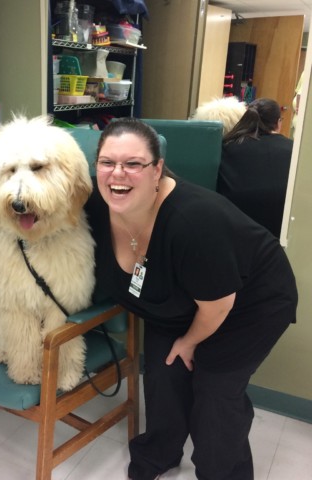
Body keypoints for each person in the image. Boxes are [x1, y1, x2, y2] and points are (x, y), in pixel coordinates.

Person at [85, 117, 298, 480]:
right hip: (177, 300)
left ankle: (223, 473)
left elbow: (218, 305)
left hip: (249, 303)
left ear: (157, 170)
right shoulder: (94, 203)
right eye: (107, 162)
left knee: (215, 389)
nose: (117, 174)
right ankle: (159, 454)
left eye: (133, 164)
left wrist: (189, 342)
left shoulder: (194, 220)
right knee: (162, 375)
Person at [217, 98, 293, 238]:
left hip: (233, 228)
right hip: (280, 232)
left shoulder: (227, 146)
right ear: (278, 123)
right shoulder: (294, 150)